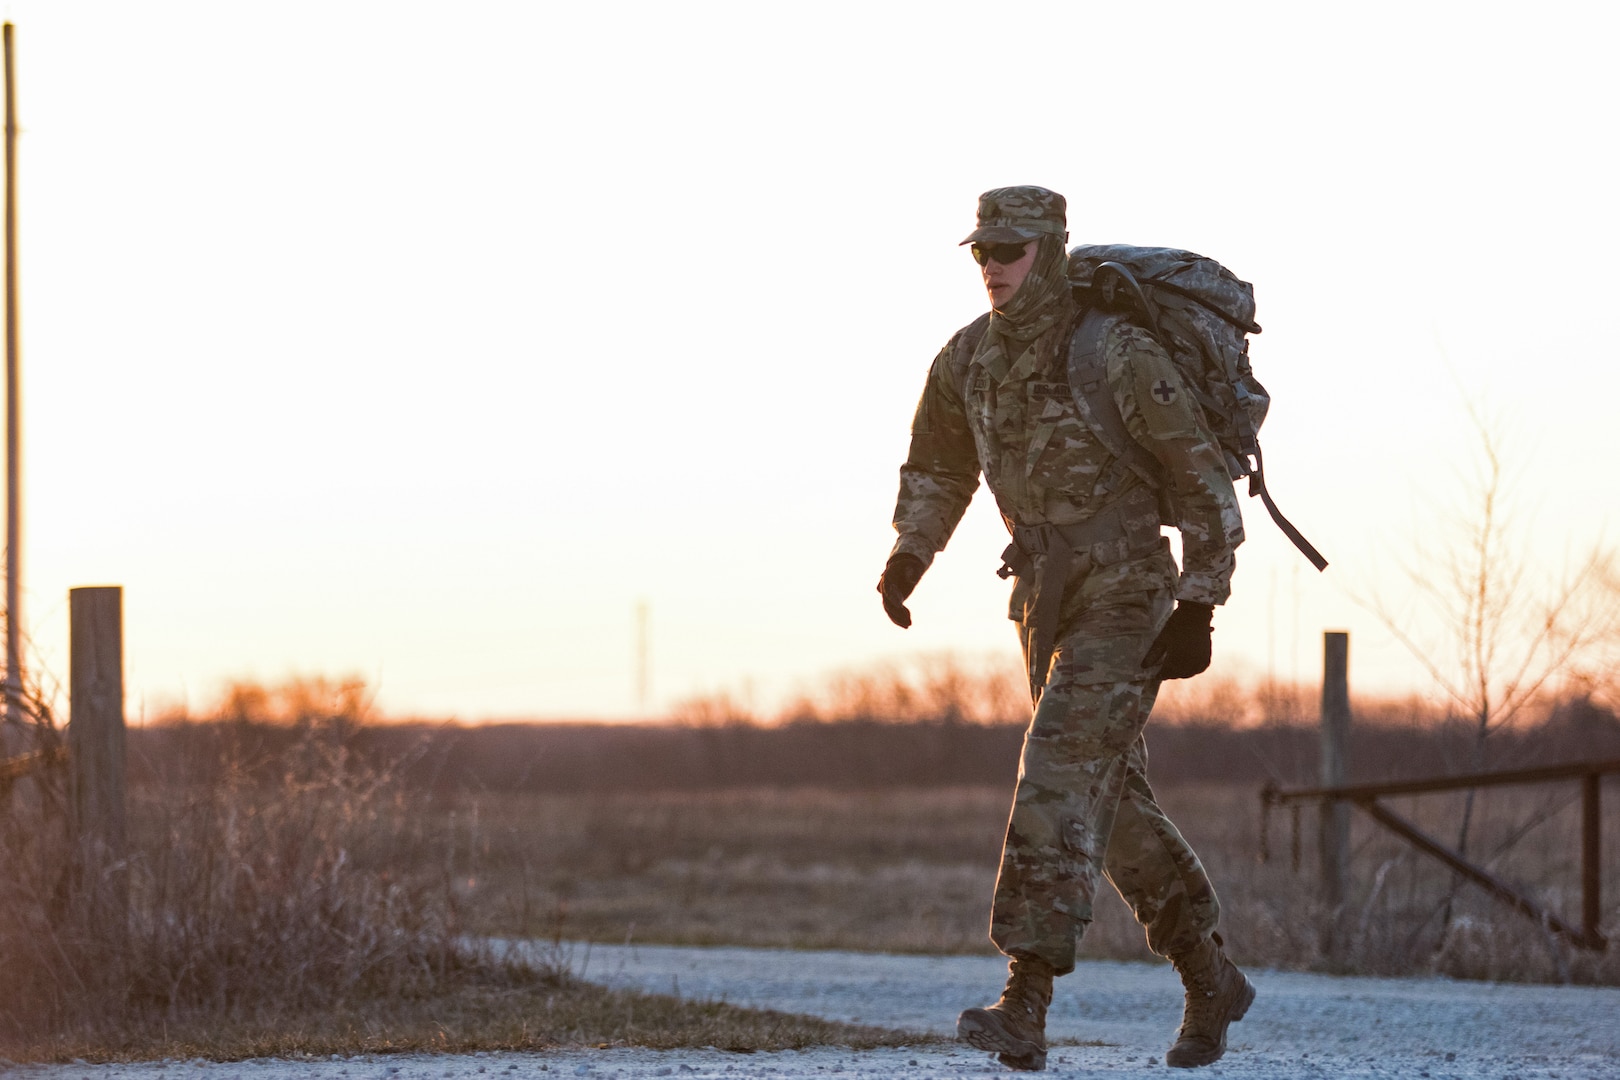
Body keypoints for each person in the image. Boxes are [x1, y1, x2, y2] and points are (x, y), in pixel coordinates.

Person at [876, 186, 1254, 1071]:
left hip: (1129, 589)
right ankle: (1211, 976)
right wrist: (909, 555)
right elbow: (938, 464)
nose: (992, 267)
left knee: (1054, 775)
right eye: (980, 251)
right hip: (1042, 598)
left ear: (1048, 249)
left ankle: (1027, 998)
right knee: (1109, 805)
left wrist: (1200, 601)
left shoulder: (1113, 350)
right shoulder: (968, 358)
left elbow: (1201, 480)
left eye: (1008, 250)